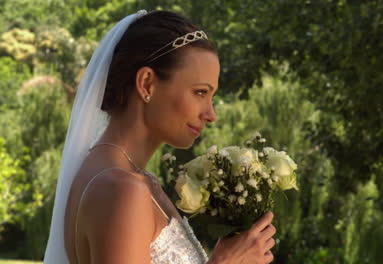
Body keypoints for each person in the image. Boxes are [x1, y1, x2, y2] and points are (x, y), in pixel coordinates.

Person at [43, 9, 276, 264]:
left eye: (212, 96)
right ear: (146, 84)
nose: (211, 114)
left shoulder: (123, 177)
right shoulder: (122, 189)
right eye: (200, 92)